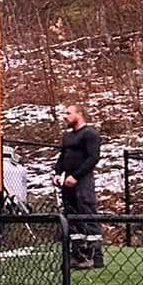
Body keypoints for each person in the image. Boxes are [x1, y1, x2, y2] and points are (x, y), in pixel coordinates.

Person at [55, 103, 103, 269]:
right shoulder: (67, 136)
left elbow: (93, 158)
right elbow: (63, 156)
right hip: (68, 183)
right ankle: (78, 255)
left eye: (68, 113)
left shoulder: (90, 134)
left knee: (87, 214)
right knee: (72, 217)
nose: (65, 116)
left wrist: (76, 176)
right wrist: (57, 173)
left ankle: (95, 256)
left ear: (79, 114)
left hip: (83, 182)